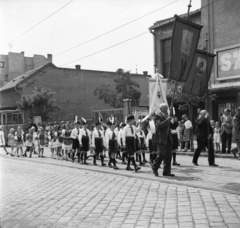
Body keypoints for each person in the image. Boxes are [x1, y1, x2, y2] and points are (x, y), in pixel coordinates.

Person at [151, 103, 175, 177]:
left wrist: (172, 119)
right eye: (164, 108)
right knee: (162, 154)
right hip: (160, 138)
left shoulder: (167, 115)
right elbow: (158, 126)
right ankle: (154, 167)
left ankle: (166, 171)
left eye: (166, 108)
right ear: (161, 109)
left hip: (168, 138)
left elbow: (172, 126)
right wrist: (167, 120)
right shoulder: (157, 115)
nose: (166, 110)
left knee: (169, 155)